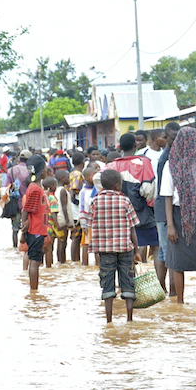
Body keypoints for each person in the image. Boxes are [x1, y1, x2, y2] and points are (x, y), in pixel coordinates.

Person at [161, 127, 196, 304]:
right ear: (186, 143)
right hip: (179, 216)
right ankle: (180, 302)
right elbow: (168, 197)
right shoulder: (171, 165)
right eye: (195, 141)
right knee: (178, 262)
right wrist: (170, 225)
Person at [88, 169, 139, 323]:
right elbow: (132, 228)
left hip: (104, 250)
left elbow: (90, 225)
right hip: (125, 248)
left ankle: (109, 321)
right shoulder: (125, 201)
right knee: (128, 282)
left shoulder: (95, 202)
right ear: (117, 185)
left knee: (107, 284)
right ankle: (129, 319)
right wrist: (136, 250)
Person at [105, 133, 158, 261]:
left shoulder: (111, 165)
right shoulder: (143, 162)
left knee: (127, 250)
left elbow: (99, 181)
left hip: (118, 215)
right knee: (156, 245)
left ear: (120, 147)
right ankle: (157, 274)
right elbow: (149, 190)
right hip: (142, 213)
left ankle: (131, 274)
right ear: (135, 146)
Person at [154, 122, 182, 294]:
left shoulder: (173, 155)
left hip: (165, 208)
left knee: (165, 251)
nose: (177, 141)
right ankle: (171, 291)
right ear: (166, 138)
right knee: (169, 251)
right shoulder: (167, 158)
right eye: (173, 138)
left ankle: (163, 289)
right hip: (165, 209)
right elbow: (167, 191)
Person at [20, 156, 49, 290]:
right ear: (41, 171)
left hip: (38, 230)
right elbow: (26, 209)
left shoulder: (36, 188)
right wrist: (24, 227)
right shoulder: (35, 189)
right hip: (36, 230)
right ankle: (34, 291)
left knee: (35, 260)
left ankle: (34, 290)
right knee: (35, 262)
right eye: (45, 168)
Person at [6, 150, 32, 248]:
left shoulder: (11, 170)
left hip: (15, 204)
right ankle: (26, 249)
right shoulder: (31, 171)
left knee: (15, 229)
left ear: (19, 159)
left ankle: (15, 248)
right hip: (29, 204)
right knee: (29, 229)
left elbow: (6, 187)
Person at [78, 166, 98, 266]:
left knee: (97, 247)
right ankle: (85, 265)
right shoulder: (83, 192)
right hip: (87, 222)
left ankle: (98, 265)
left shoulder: (97, 189)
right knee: (86, 244)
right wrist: (83, 225)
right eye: (94, 175)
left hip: (97, 222)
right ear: (86, 178)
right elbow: (81, 209)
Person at [54, 170, 74, 264]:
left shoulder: (56, 190)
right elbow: (64, 206)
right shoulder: (62, 190)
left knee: (60, 242)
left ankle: (60, 262)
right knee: (63, 243)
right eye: (67, 177)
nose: (69, 179)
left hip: (58, 217)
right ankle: (62, 261)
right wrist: (68, 221)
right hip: (63, 219)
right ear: (62, 179)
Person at [69, 152, 85, 261]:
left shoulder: (72, 173)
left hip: (74, 206)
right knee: (76, 236)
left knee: (77, 236)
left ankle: (76, 261)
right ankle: (75, 260)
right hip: (76, 207)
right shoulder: (78, 174)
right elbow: (73, 189)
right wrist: (74, 202)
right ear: (83, 162)